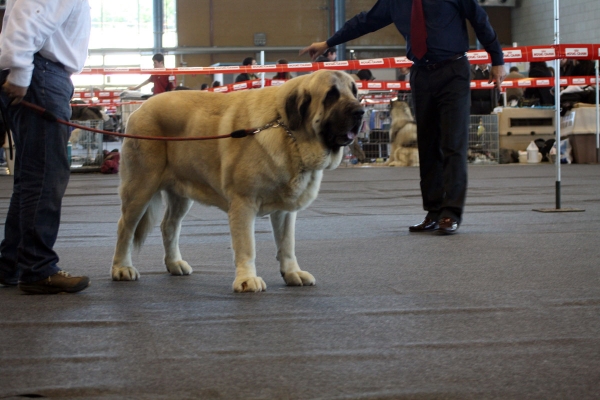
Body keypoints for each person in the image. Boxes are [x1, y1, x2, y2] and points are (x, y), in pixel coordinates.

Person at [300, 0, 506, 234]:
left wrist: (497, 59)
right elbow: (365, 21)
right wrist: (329, 42)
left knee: (453, 144)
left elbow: (479, 18)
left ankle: (451, 212)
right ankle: (433, 211)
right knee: (428, 145)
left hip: (454, 72)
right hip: (421, 74)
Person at [0, 0, 92, 293]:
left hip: (39, 72)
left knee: (32, 177)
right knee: (44, 176)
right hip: (40, 74)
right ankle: (37, 267)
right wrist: (20, 71)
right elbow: (31, 13)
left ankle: (11, 262)